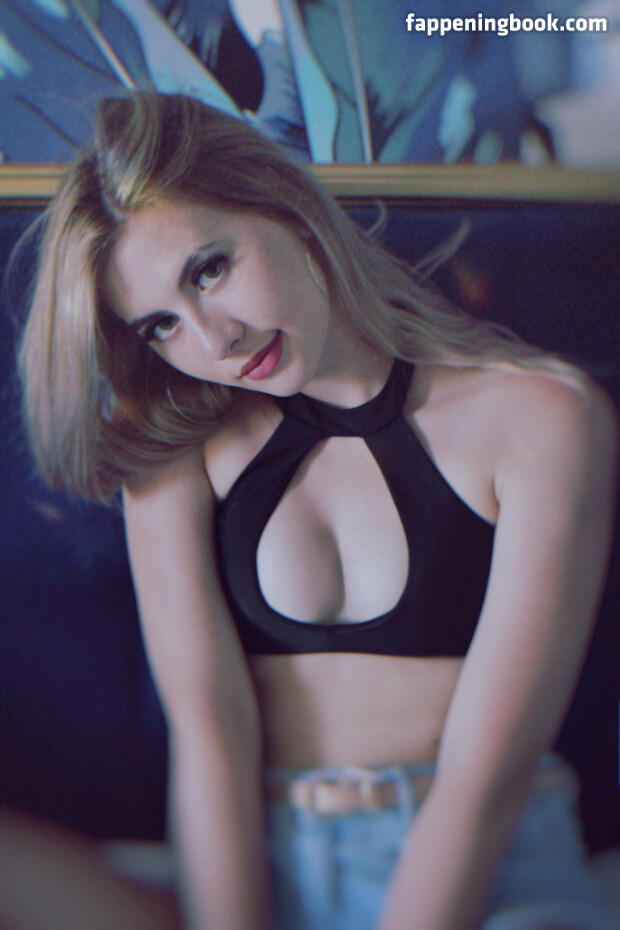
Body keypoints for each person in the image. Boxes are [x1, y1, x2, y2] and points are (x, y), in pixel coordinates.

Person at [15, 92, 618, 930]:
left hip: (488, 872)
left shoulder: (541, 417)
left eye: (210, 269)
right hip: (261, 863)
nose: (214, 340)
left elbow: (488, 774)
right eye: (160, 326)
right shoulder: (176, 448)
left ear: (287, 209)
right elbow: (211, 732)